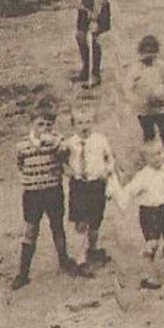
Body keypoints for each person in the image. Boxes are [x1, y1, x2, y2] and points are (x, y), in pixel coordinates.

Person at [11, 101, 87, 289]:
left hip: (53, 190)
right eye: (40, 124)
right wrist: (30, 180)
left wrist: (55, 142)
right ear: (32, 124)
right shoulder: (22, 145)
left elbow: (66, 153)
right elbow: (20, 165)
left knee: (57, 225)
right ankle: (23, 272)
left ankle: (63, 259)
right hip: (32, 195)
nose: (45, 128)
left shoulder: (57, 140)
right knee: (31, 230)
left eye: (49, 124)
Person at [111, 141, 164, 291]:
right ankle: (149, 275)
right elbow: (129, 191)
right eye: (154, 155)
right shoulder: (143, 176)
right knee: (152, 244)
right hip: (150, 212)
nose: (159, 158)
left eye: (161, 153)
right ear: (146, 159)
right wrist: (120, 191)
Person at [63, 105, 115, 267]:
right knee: (80, 221)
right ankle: (80, 257)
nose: (84, 126)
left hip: (96, 184)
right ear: (74, 125)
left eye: (87, 122)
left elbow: (110, 158)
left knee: (95, 220)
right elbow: (63, 163)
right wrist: (69, 172)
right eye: (80, 122)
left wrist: (107, 171)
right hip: (79, 185)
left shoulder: (100, 140)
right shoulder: (69, 143)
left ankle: (93, 249)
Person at [64, 0, 110, 87]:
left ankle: (95, 73)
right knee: (79, 36)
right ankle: (85, 68)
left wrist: (95, 18)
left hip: (101, 6)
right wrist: (80, 7)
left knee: (95, 39)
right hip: (86, 7)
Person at [129, 34, 164, 166]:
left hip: (161, 108)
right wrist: (138, 100)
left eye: (152, 53)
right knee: (148, 135)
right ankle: (150, 158)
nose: (148, 57)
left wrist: (160, 93)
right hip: (145, 109)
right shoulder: (135, 69)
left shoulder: (162, 66)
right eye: (145, 53)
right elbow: (128, 88)